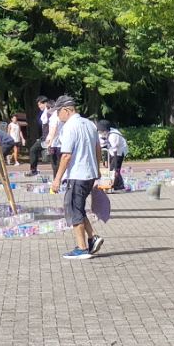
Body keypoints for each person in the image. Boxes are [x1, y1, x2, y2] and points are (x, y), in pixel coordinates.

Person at [50, 95, 103, 259]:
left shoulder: (69, 127)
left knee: (73, 209)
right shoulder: (89, 124)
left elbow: (66, 156)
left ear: (66, 110)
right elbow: (98, 149)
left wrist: (57, 179)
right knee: (77, 207)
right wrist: (98, 168)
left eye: (58, 112)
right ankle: (93, 237)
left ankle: (81, 248)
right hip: (90, 173)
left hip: (77, 174)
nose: (58, 116)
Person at [99, 120, 128, 191]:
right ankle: (114, 184)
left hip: (119, 152)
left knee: (114, 169)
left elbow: (115, 150)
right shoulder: (101, 134)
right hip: (110, 150)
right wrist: (104, 160)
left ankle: (119, 186)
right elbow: (102, 146)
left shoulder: (114, 135)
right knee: (110, 169)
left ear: (106, 130)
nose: (100, 133)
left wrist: (115, 163)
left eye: (102, 131)